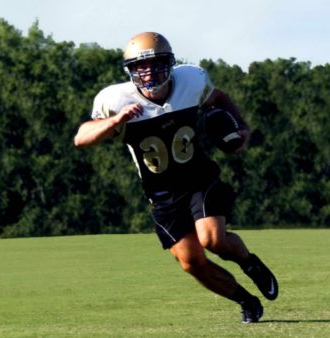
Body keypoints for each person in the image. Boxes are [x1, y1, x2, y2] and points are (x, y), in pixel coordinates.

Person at [74, 32, 278, 324]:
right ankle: (246, 300)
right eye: (140, 66)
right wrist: (115, 121)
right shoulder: (115, 100)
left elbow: (217, 97)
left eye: (156, 64)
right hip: (161, 193)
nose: (149, 72)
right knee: (191, 262)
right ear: (130, 70)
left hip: (197, 178)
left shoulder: (191, 80)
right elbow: (82, 138)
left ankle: (250, 263)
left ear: (169, 63)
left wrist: (239, 125)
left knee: (213, 239)